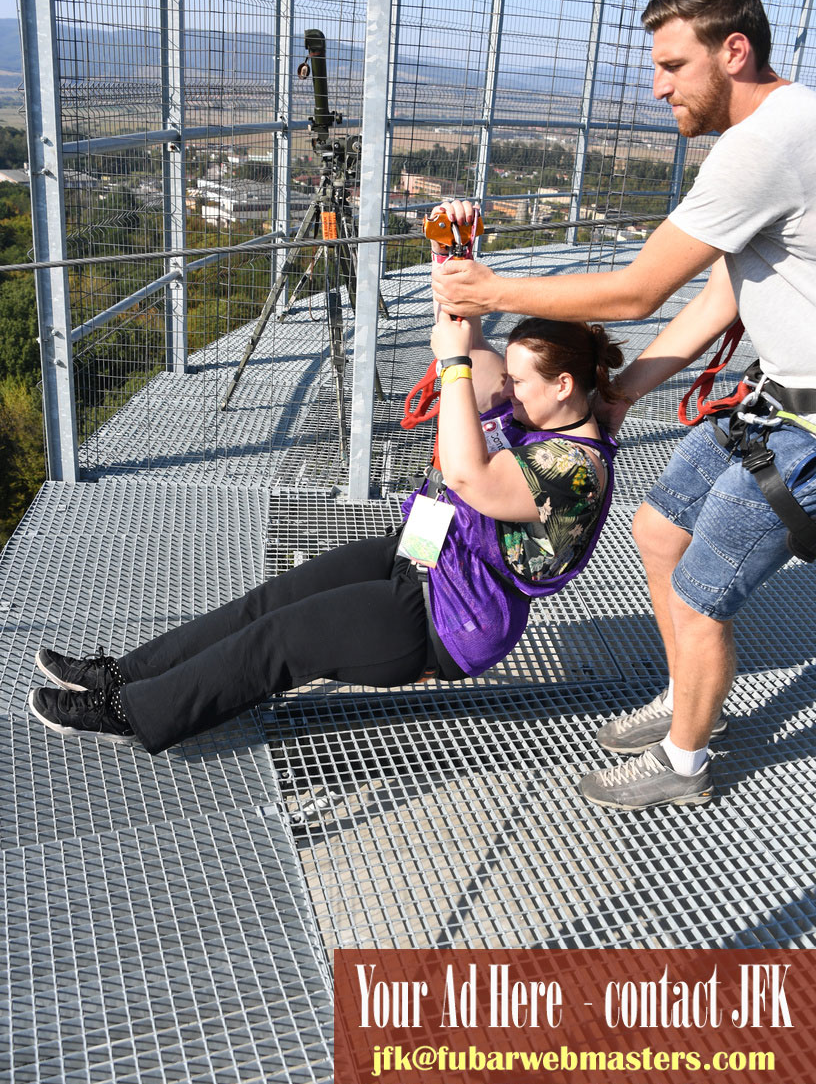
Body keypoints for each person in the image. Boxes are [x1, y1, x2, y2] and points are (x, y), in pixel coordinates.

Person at [430, 0, 816, 812]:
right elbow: (725, 293)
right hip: (777, 394)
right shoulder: (787, 127)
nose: (659, 86)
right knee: (656, 528)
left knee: (701, 593)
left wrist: (493, 291)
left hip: (809, 423)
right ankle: (690, 699)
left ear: (734, 51)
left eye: (674, 65)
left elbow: (641, 291)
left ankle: (685, 764)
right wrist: (629, 388)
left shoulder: (766, 142)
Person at [28, 312, 620, 755]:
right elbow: (467, 332)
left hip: (449, 617)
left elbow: (468, 473)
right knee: (265, 604)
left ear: (564, 386)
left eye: (518, 381)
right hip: (420, 547)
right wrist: (455, 250)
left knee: (277, 642)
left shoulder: (576, 475)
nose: (506, 389)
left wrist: (455, 368)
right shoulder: (532, 408)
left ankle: (133, 712)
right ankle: (125, 673)